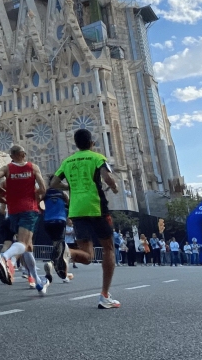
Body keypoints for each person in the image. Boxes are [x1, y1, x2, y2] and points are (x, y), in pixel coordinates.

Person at [49, 128, 120, 309]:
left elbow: (54, 183)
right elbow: (107, 177)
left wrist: (70, 187)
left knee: (87, 256)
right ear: (91, 143)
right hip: (96, 207)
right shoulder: (97, 158)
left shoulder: (68, 161)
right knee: (108, 248)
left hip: (76, 209)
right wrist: (115, 187)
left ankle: (67, 252)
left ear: (76, 144)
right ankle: (104, 295)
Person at [0, 145, 48, 294]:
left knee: (28, 247)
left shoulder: (7, 169)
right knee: (23, 243)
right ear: (22, 154)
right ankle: (5, 257)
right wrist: (37, 195)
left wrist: (6, 194)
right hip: (29, 209)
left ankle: (37, 281)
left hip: (14, 211)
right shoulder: (33, 168)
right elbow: (43, 188)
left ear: (12, 155)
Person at [43, 181, 70, 281]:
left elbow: (38, 203)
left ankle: (57, 268)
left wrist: (44, 211)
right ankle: (52, 263)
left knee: (55, 243)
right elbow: (69, 203)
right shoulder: (62, 193)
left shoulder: (45, 193)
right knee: (60, 244)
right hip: (60, 220)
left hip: (47, 221)